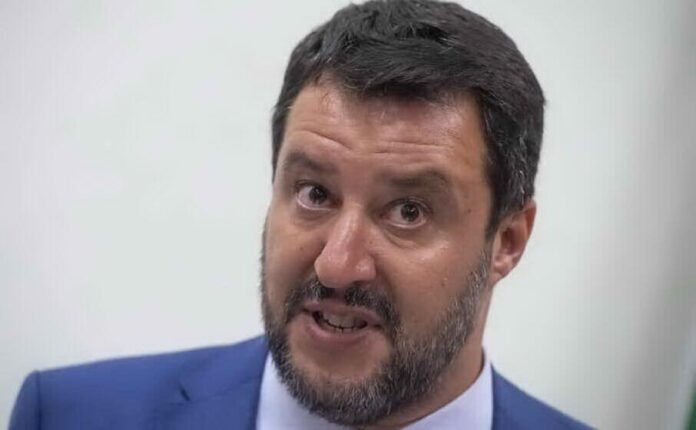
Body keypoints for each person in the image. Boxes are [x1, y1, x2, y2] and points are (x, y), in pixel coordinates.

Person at [10, 1, 591, 429]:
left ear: (507, 241)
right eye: (315, 193)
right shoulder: (66, 416)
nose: (337, 265)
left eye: (408, 211)